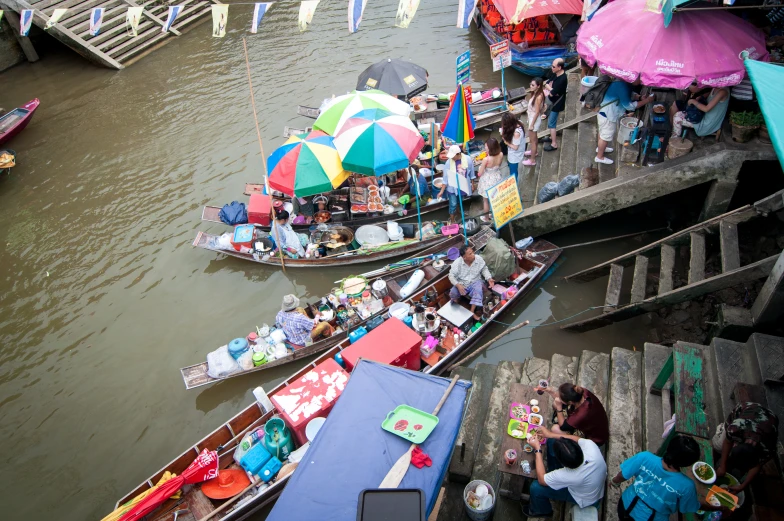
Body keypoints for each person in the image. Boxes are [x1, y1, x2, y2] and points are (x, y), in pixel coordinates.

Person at [612, 435, 726, 521]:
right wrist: (718, 508)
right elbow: (690, 507)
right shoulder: (686, 486)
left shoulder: (644, 457)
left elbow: (622, 475)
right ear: (688, 463)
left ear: (669, 447)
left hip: (625, 506)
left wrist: (615, 482)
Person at [522, 431, 606, 518]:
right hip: (590, 484)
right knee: (552, 441)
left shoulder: (569, 475)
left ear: (563, 464)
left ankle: (541, 511)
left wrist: (537, 449)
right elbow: (577, 439)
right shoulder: (591, 446)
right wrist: (550, 434)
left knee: (536, 488)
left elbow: (541, 480)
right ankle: (552, 474)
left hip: (585, 498)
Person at [713, 401, 779, 493]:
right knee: (718, 447)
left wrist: (742, 486)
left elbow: (757, 465)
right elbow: (727, 443)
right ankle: (722, 428)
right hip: (746, 409)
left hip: (769, 419)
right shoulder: (736, 428)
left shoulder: (768, 448)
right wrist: (722, 466)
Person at [595, 81, 655, 165]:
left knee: (602, 132)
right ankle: (599, 157)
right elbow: (629, 106)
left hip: (603, 112)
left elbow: (628, 94)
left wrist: (640, 97)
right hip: (608, 114)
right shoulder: (623, 87)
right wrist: (647, 100)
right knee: (605, 136)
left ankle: (600, 148)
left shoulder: (620, 83)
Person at [536, 382, 609, 446]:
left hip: (593, 438)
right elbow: (563, 400)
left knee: (555, 429)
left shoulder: (582, 413)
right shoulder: (578, 392)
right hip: (592, 422)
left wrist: (559, 407)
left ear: (570, 402)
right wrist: (551, 392)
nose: (558, 397)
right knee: (556, 403)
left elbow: (563, 426)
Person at [448, 245, 494, 320]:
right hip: (462, 283)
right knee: (453, 292)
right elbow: (451, 276)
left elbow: (484, 269)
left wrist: (489, 278)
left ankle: (472, 311)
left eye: (472, 252)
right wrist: (458, 285)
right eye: (470, 254)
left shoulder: (478, 259)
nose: (473, 255)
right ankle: (456, 303)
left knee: (478, 291)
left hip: (475, 281)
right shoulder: (457, 263)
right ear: (464, 257)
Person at [436, 145, 476, 224]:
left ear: (458, 154)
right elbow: (445, 178)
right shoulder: (448, 163)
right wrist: (441, 191)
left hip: (462, 186)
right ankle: (452, 219)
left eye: (453, 156)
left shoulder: (467, 159)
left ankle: (458, 212)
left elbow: (471, 173)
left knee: (460, 200)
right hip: (452, 187)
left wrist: (472, 184)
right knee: (453, 203)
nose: (451, 158)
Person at [476, 138, 507, 223]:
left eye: (486, 146)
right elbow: (499, 165)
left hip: (487, 180)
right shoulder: (500, 154)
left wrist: (480, 166)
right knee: (495, 199)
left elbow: (480, 173)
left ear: (490, 148)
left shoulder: (486, 159)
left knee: (485, 201)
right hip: (497, 177)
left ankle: (486, 218)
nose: (485, 147)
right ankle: (495, 215)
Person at [543, 58, 567, 152]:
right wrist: (550, 88)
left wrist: (549, 88)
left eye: (553, 66)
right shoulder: (555, 74)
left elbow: (552, 92)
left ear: (559, 67)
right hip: (553, 101)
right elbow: (547, 83)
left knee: (551, 124)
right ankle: (550, 137)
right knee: (551, 121)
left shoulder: (562, 79)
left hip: (557, 103)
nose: (551, 68)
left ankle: (554, 144)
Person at [524, 77, 546, 167]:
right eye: (530, 84)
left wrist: (531, 124)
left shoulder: (538, 97)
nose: (531, 86)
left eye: (533, 85)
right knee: (534, 138)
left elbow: (537, 112)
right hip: (532, 117)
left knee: (532, 140)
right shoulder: (537, 94)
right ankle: (534, 152)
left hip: (534, 119)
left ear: (538, 86)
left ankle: (532, 160)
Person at [500, 113, 525, 182]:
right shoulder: (520, 123)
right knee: (513, 169)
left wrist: (506, 142)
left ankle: (515, 187)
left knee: (513, 172)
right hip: (517, 151)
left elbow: (515, 147)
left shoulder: (516, 133)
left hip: (514, 154)